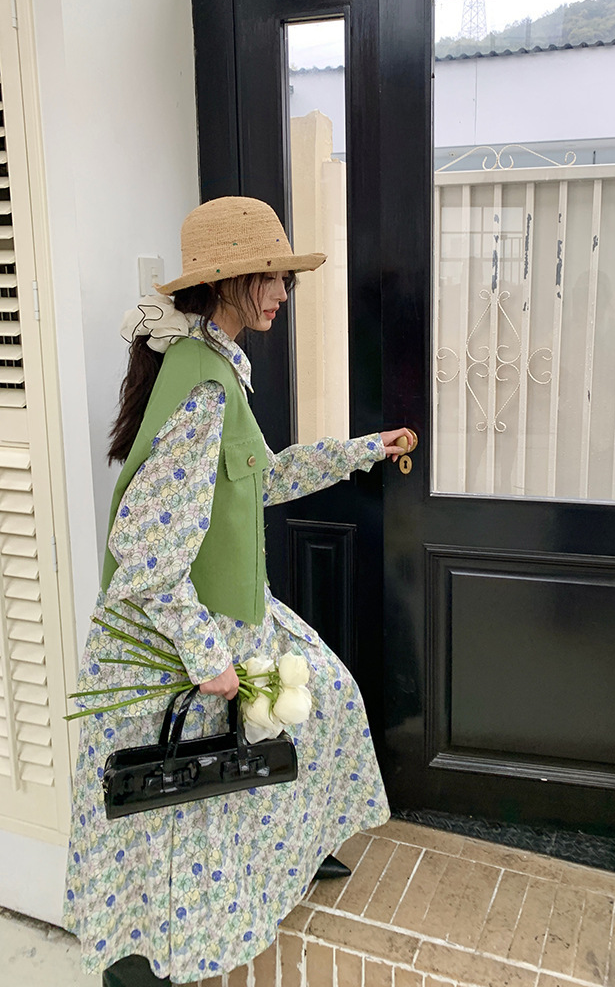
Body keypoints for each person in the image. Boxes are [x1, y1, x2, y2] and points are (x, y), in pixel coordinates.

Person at [63, 197, 411, 986]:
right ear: (225, 282)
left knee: (322, 701)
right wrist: (206, 655)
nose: (283, 293)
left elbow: (264, 478)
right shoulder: (203, 388)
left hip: (227, 609)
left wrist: (363, 450)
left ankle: (295, 852)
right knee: (169, 805)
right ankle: (138, 964)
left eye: (285, 278)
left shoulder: (215, 362)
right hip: (171, 632)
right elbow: (145, 550)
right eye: (270, 277)